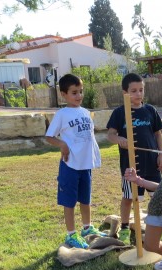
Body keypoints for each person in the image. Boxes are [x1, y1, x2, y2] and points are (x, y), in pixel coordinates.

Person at [46, 74, 105, 249]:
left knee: (85, 199)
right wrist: (62, 144)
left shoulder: (86, 112)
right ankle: (71, 234)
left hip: (85, 165)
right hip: (70, 165)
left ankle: (87, 228)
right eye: (74, 92)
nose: (79, 95)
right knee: (69, 201)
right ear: (64, 94)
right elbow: (49, 136)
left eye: (81, 91)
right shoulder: (62, 114)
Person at [107, 73, 162, 244]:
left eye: (141, 90)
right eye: (133, 91)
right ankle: (125, 227)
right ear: (124, 92)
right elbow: (110, 134)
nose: (138, 94)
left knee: (157, 196)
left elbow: (157, 134)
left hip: (152, 164)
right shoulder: (119, 113)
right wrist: (119, 139)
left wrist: (161, 154)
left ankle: (160, 226)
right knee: (128, 197)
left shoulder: (150, 110)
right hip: (130, 167)